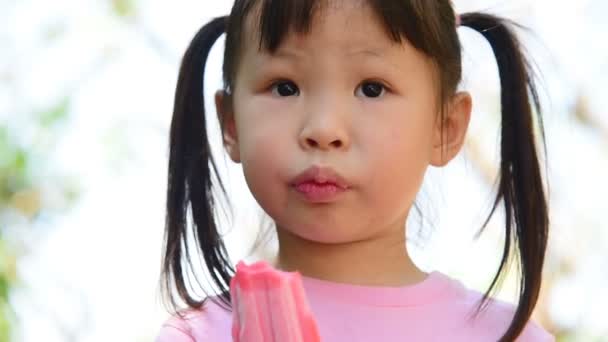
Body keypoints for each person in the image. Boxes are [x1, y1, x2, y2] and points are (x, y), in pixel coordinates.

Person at [155, 0, 554, 341]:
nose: (324, 129)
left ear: (445, 127)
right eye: (284, 87)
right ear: (232, 124)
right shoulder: (199, 335)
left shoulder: (506, 337)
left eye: (372, 88)